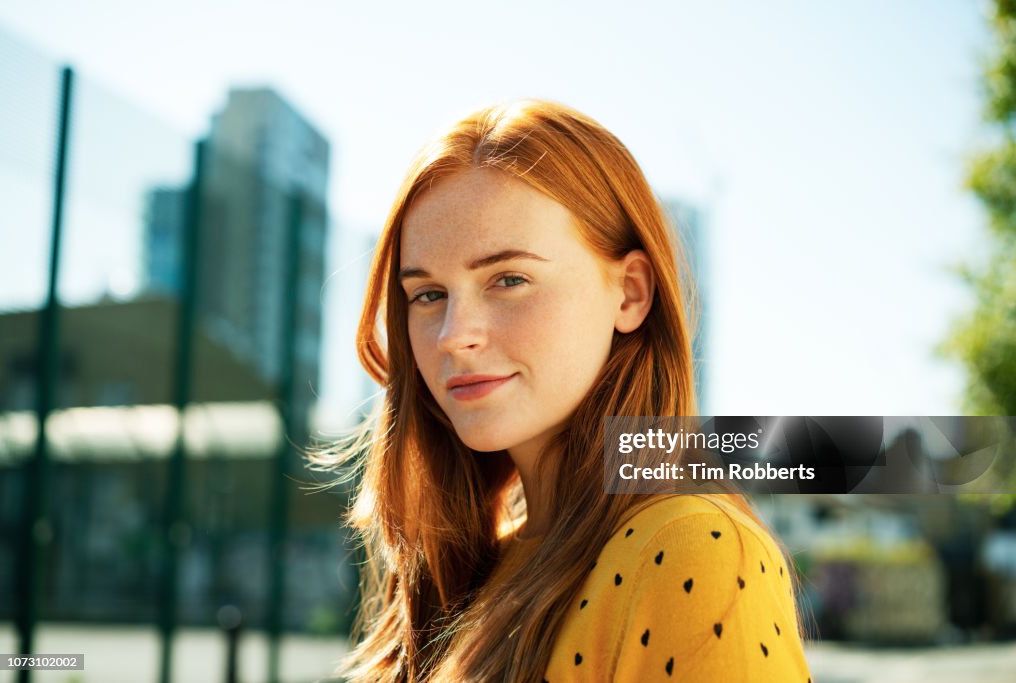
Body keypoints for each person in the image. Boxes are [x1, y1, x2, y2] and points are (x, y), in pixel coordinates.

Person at [315, 99, 815, 682]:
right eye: (428, 295)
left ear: (629, 293)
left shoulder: (696, 549)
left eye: (508, 279)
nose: (454, 337)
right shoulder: (487, 562)